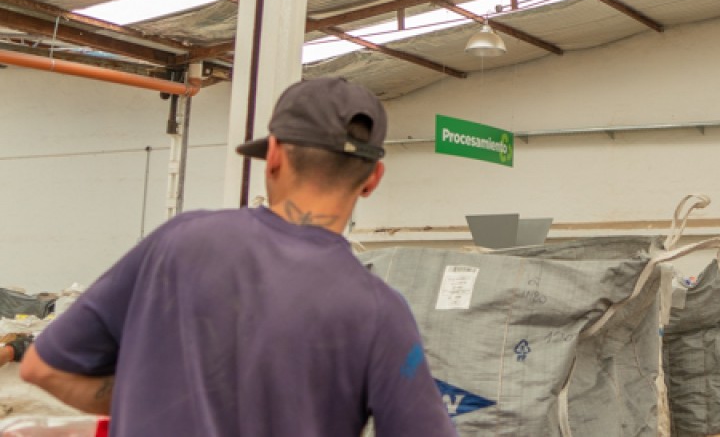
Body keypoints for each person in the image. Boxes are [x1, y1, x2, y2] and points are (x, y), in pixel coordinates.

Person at [21, 77, 457, 436]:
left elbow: (42, 368)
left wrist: (149, 400)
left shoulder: (178, 242)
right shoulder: (381, 312)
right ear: (373, 178)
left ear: (273, 156)